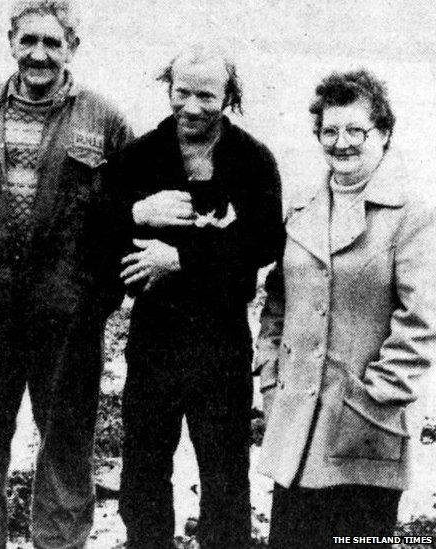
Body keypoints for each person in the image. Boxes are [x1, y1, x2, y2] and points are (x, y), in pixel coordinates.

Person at [0, 1, 133, 547]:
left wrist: (101, 293)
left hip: (65, 311)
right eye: (29, 41)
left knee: (67, 441)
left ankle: (59, 543)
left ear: (72, 47)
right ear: (12, 42)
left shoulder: (105, 119)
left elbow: (129, 212)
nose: (39, 54)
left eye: (52, 42)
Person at [255, 69, 436, 549]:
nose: (342, 143)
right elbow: (276, 304)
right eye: (329, 131)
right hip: (295, 428)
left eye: (356, 130)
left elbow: (422, 321)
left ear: (384, 134)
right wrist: (271, 378)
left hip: (366, 433)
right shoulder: (300, 210)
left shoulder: (412, 217)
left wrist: (373, 398)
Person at [115, 45, 284, 549]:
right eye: (181, 92)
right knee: (143, 468)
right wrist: (136, 214)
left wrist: (181, 260)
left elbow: (263, 243)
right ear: (168, 88)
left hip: (222, 339)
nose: (191, 106)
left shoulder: (253, 160)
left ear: (229, 97)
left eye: (206, 95)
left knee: (225, 472)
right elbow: (107, 238)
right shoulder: (142, 155)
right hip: (154, 338)